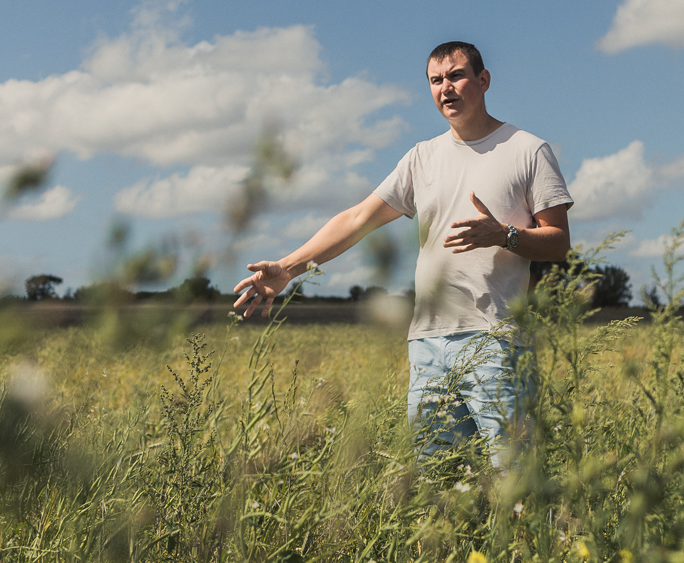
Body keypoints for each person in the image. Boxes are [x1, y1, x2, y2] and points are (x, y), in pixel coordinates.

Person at [232, 41, 573, 466]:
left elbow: (558, 241)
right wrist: (287, 268)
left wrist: (504, 235)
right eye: (435, 80)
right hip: (428, 343)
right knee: (438, 487)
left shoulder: (527, 150)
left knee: (514, 479)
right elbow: (358, 218)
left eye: (456, 76)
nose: (445, 88)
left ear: (483, 81)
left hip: (496, 340)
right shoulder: (422, 157)